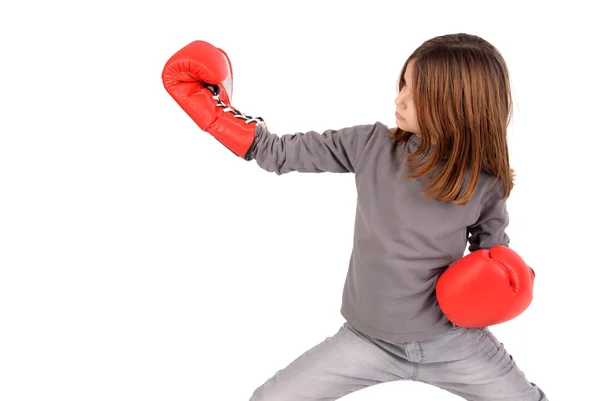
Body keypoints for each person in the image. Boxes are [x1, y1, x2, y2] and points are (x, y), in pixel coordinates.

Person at [161, 33, 548, 400]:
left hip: (452, 343)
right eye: (403, 84)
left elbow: (495, 257)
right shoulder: (370, 145)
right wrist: (209, 108)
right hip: (367, 340)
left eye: (418, 93)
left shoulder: (484, 181)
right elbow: (276, 152)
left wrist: (513, 284)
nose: (400, 99)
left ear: (458, 107)